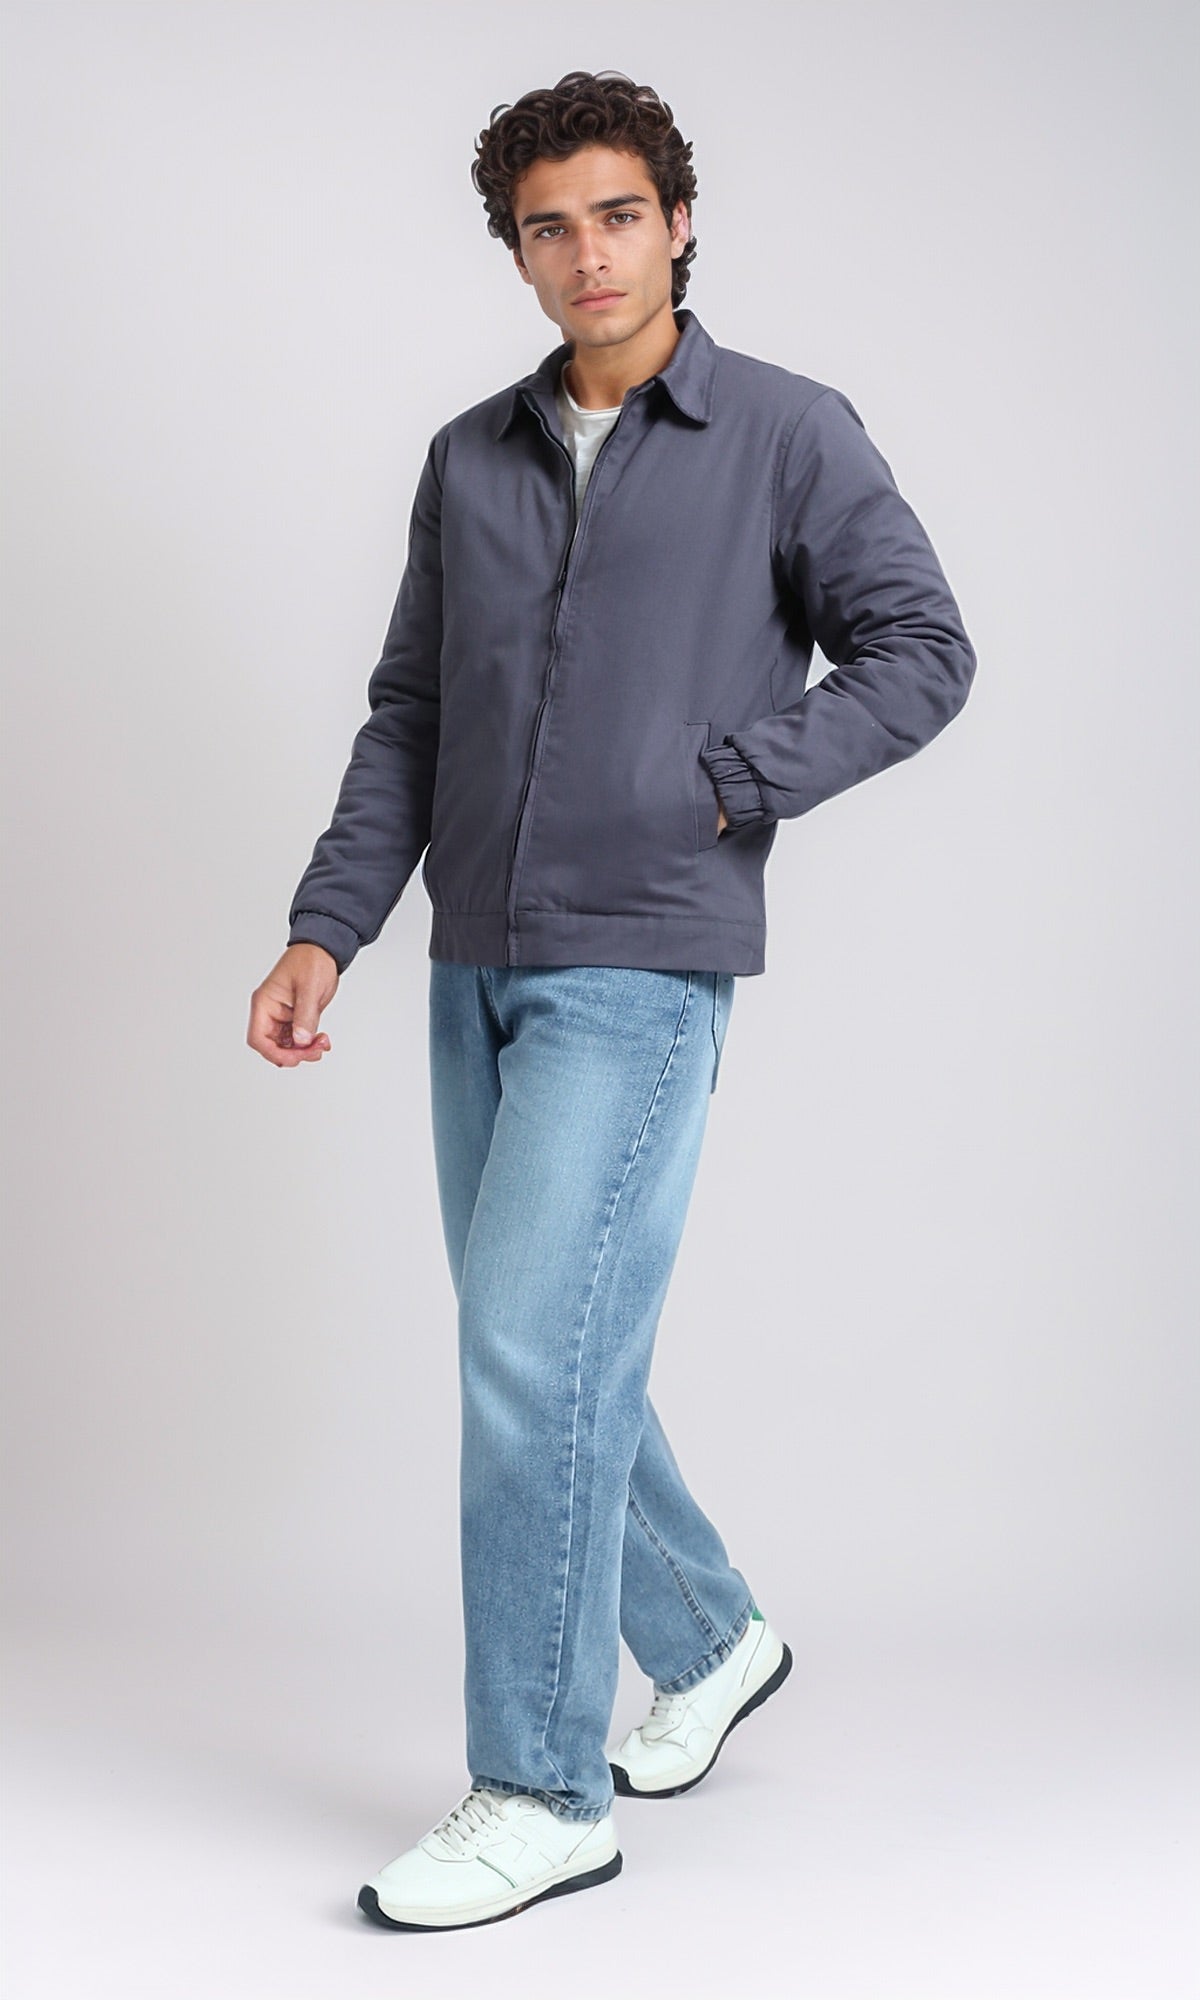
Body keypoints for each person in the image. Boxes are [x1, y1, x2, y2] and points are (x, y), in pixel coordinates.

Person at [246, 68, 977, 1932]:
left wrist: (731, 779)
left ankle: (540, 1789)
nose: (589, 254)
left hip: (641, 957)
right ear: (516, 251)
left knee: (525, 1352)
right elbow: (412, 714)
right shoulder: (470, 457)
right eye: (549, 227)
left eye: (620, 215)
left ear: (679, 222)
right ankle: (710, 1636)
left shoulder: (784, 431)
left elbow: (920, 648)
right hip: (474, 958)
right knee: (541, 1348)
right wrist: (331, 924)